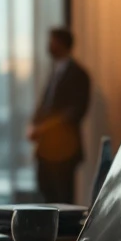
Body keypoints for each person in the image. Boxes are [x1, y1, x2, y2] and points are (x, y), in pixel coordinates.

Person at [29, 27, 92, 205]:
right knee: (45, 190)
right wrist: (34, 125)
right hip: (46, 147)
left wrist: (45, 127)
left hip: (65, 148)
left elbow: (75, 111)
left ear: (62, 43)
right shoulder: (54, 73)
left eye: (52, 41)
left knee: (63, 196)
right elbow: (45, 104)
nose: (48, 46)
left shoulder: (78, 74)